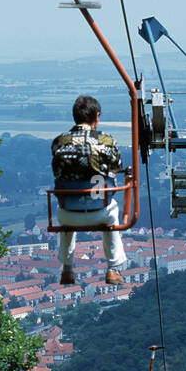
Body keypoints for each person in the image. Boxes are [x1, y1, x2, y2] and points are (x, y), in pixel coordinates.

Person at [51, 95, 128, 286]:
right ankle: (113, 268)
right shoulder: (106, 141)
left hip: (67, 213)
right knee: (112, 213)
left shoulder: (59, 142)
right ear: (97, 116)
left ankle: (67, 269)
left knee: (67, 217)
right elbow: (117, 165)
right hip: (99, 211)